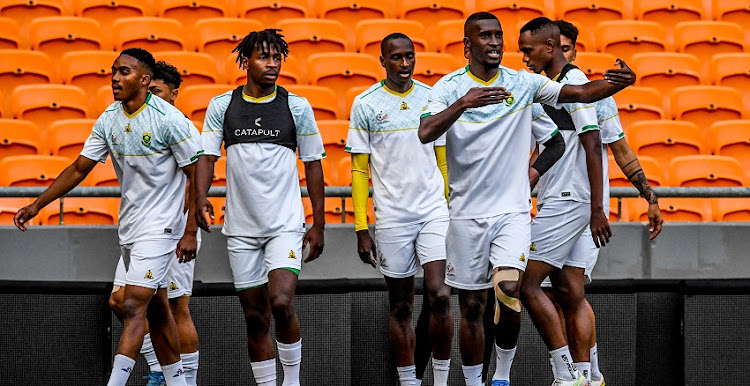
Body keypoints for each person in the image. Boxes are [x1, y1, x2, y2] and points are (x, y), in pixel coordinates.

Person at [418, 12, 636, 386]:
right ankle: (476, 380)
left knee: (510, 287)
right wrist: (463, 105)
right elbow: (425, 131)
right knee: (471, 306)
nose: (495, 42)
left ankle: (527, 373)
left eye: (498, 36)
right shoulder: (448, 88)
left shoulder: (523, 83)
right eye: (485, 36)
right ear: (467, 45)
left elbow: (580, 94)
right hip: (466, 215)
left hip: (513, 213)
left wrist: (621, 84)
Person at [14, 48, 202, 386]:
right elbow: (79, 168)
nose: (115, 78)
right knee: (157, 310)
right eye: (114, 71)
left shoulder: (169, 120)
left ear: (145, 80)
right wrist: (38, 203)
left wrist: (190, 229)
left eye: (125, 72)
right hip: (131, 226)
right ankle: (178, 382)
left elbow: (197, 172)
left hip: (164, 227)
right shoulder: (109, 118)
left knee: (132, 305)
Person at [525, 19, 664, 386]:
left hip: (574, 200)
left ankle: (569, 374)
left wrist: (629, 199)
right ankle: (590, 375)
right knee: (571, 291)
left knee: (530, 284)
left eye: (568, 48)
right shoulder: (551, 89)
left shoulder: (582, 89)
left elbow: (611, 147)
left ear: (561, 47)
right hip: (572, 199)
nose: (527, 57)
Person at [193, 29, 325, 386]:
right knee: (255, 316)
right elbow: (207, 157)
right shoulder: (223, 106)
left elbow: (313, 164)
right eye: (264, 57)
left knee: (281, 302)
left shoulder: (296, 106)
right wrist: (199, 197)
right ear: (245, 61)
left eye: (277, 57)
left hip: (284, 225)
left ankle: (292, 381)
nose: (273, 64)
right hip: (241, 229)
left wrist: (319, 224)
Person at [346, 33, 453, 386]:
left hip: (433, 211)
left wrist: (449, 204)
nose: (404, 64)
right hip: (392, 218)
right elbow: (359, 170)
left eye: (410, 57)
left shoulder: (430, 98)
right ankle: (409, 382)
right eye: (396, 58)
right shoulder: (365, 103)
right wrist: (362, 227)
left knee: (439, 293)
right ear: (383, 61)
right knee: (402, 306)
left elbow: (441, 159)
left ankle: (440, 379)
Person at [108, 60, 201, 386]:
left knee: (176, 306)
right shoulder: (131, 119)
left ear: (174, 94)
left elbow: (195, 177)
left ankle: (184, 379)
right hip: (141, 228)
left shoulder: (177, 125)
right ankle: (163, 367)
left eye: (158, 91)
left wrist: (192, 220)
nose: (152, 96)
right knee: (122, 301)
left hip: (172, 229)